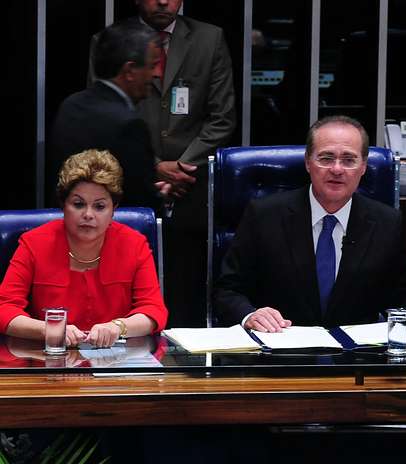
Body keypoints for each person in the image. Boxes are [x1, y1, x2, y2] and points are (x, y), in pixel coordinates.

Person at [214, 115, 406, 332]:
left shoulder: (386, 222)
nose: (337, 169)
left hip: (356, 361)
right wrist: (250, 315)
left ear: (364, 166)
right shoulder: (264, 215)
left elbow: (400, 296)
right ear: (308, 162)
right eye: (326, 158)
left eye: (348, 160)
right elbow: (227, 292)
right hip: (279, 354)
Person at [89, 0, 237, 327]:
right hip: (127, 184)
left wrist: (182, 167)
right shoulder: (109, 40)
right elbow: (101, 113)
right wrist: (152, 166)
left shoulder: (209, 38)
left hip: (192, 186)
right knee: (124, 284)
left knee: (187, 285)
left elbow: (222, 118)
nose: (162, 1)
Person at [0, 150, 168, 348]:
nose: (88, 214)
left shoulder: (134, 244)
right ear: (63, 205)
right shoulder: (33, 243)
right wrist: (49, 329)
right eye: (78, 204)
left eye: (99, 206)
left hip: (115, 363)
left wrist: (118, 327)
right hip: (50, 361)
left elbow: (154, 310)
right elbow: (5, 308)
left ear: (114, 208)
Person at [51, 22, 162, 209]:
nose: (157, 74)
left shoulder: (70, 105)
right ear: (129, 71)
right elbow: (140, 205)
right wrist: (159, 197)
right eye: (152, 66)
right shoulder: (130, 125)